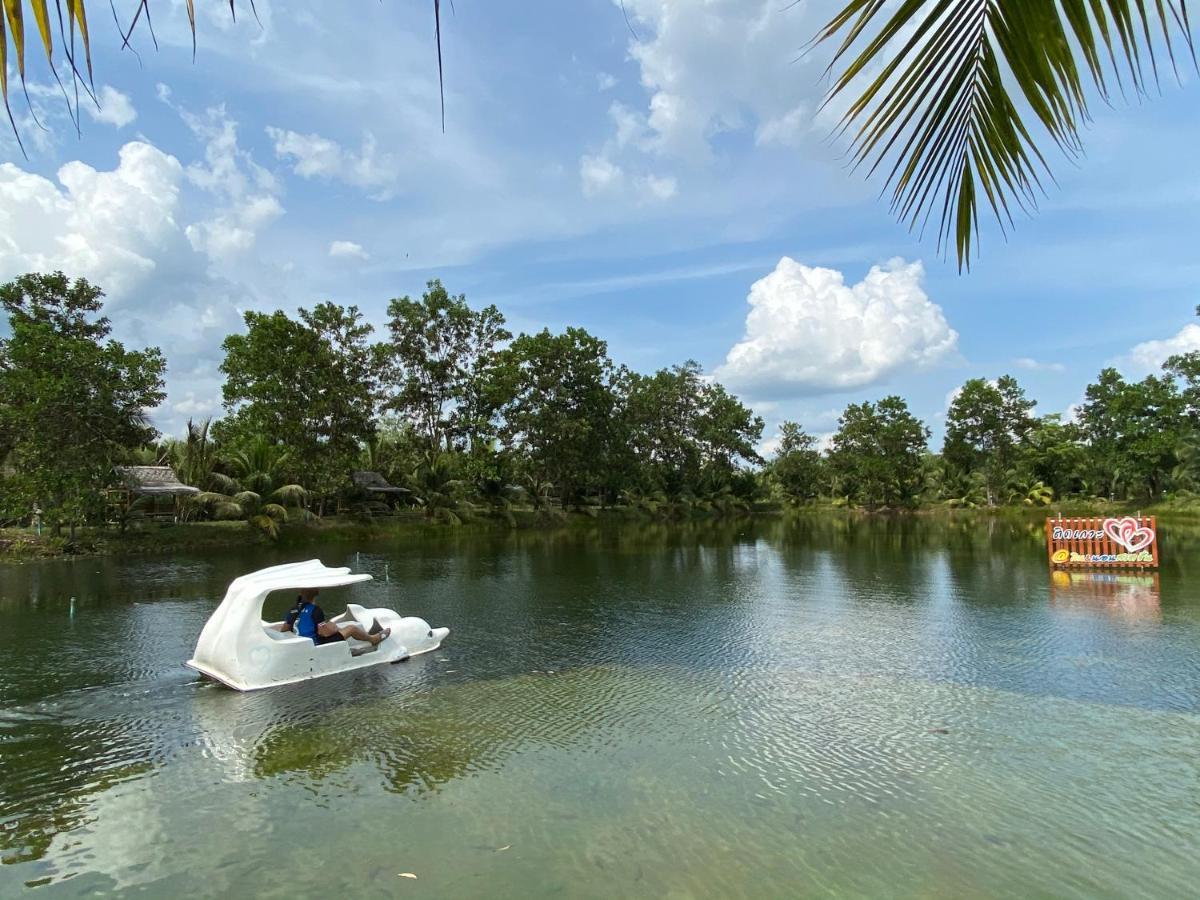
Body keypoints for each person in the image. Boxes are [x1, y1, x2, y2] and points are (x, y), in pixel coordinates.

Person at [278, 588, 391, 646]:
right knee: (351, 628)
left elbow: (285, 629)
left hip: (302, 641)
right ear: (316, 594)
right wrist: (334, 627)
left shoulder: (294, 609)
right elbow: (324, 633)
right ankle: (374, 639)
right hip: (316, 643)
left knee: (337, 627)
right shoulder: (315, 610)